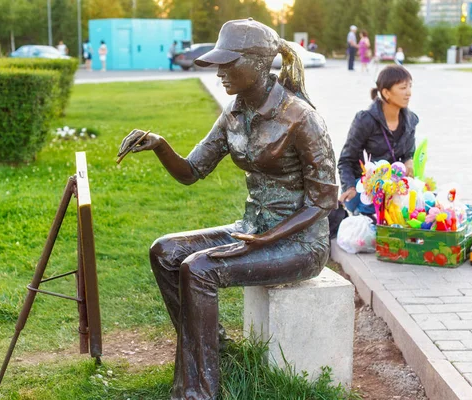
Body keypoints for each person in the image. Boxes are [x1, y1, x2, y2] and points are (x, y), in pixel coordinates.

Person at [118, 18, 338, 400]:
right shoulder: (235, 113)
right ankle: (214, 352)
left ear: (257, 63)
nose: (220, 72)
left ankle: (198, 392)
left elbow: (323, 201)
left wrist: (267, 238)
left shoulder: (301, 118)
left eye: (227, 62)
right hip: (252, 229)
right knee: (165, 252)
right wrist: (159, 145)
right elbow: (191, 172)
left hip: (301, 243)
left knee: (199, 269)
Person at [338, 65, 418, 216]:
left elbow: (409, 153)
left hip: (395, 187)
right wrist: (349, 187)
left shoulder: (411, 121)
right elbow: (346, 160)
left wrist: (409, 160)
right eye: (403, 88)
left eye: (410, 87)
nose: (408, 93)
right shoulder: (365, 120)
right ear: (386, 93)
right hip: (364, 190)